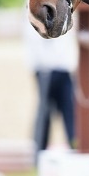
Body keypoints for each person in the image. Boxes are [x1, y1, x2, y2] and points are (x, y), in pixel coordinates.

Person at [24, 20, 78, 160]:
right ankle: (38, 155)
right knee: (44, 114)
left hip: (63, 68)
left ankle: (75, 148)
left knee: (69, 112)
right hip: (45, 69)